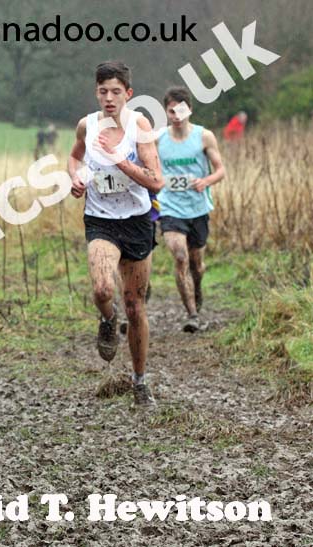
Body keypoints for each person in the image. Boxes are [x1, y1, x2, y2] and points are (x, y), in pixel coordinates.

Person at [68, 61, 164, 406]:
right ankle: (108, 320)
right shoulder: (86, 125)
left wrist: (120, 160)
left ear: (128, 94)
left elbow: (156, 180)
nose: (109, 98)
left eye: (116, 92)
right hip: (100, 220)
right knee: (102, 288)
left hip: (137, 222)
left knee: (136, 306)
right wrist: (76, 178)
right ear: (96, 92)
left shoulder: (139, 126)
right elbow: (74, 157)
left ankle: (139, 381)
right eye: (103, 91)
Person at [157, 86, 226, 332]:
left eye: (181, 110)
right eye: (171, 110)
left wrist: (205, 181)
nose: (176, 115)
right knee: (179, 256)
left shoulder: (204, 136)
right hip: (169, 208)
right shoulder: (158, 139)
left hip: (197, 209)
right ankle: (192, 315)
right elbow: (148, 166)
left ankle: (197, 288)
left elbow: (220, 170)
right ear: (166, 112)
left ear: (190, 110)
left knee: (196, 264)